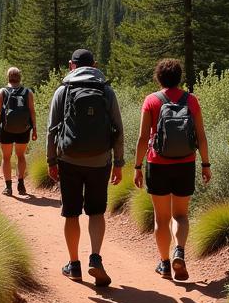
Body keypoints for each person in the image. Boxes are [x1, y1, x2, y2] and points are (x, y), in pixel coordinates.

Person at [47, 48, 124, 287]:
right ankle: (95, 258)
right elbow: (118, 130)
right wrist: (119, 163)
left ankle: (74, 265)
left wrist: (51, 161)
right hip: (100, 161)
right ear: (95, 64)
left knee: (71, 213)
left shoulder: (63, 90)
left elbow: (52, 130)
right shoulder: (106, 91)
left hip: (69, 160)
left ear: (72, 65)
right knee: (96, 211)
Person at [133, 58, 211, 281]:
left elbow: (141, 138)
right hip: (185, 163)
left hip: (157, 164)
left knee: (162, 218)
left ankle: (165, 264)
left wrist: (137, 166)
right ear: (179, 78)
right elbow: (201, 137)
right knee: (181, 214)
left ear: (159, 78)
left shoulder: (151, 101)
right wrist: (205, 164)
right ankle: (180, 251)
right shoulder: (191, 100)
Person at [0, 67, 37, 196]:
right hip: (23, 129)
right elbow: (32, 111)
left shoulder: (2, 92)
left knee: (6, 157)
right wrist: (34, 129)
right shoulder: (27, 92)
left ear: (8, 77)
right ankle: (21, 183)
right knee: (21, 156)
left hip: (5, 129)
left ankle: (8, 187)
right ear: (20, 78)